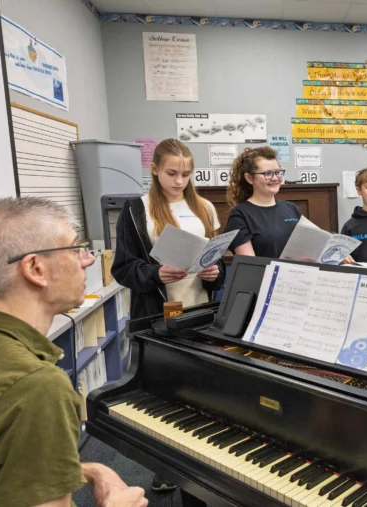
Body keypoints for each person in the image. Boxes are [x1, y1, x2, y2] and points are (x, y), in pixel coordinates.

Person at [0, 197, 148, 507]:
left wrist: (83, 468)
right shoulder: (35, 386)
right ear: (36, 268)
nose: (87, 260)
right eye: (75, 248)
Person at [112, 138, 224, 493]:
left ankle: (208, 458)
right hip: (158, 309)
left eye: (187, 174)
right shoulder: (137, 209)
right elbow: (123, 268)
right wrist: (154, 274)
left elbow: (215, 256)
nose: (180, 181)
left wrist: (214, 271)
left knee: (204, 384)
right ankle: (167, 466)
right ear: (155, 170)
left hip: (201, 309)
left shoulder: (204, 206)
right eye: (172, 173)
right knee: (164, 388)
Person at [225, 147, 302, 257]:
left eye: (277, 172)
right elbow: (250, 264)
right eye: (268, 173)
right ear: (249, 178)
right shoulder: (240, 215)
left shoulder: (291, 208)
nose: (275, 178)